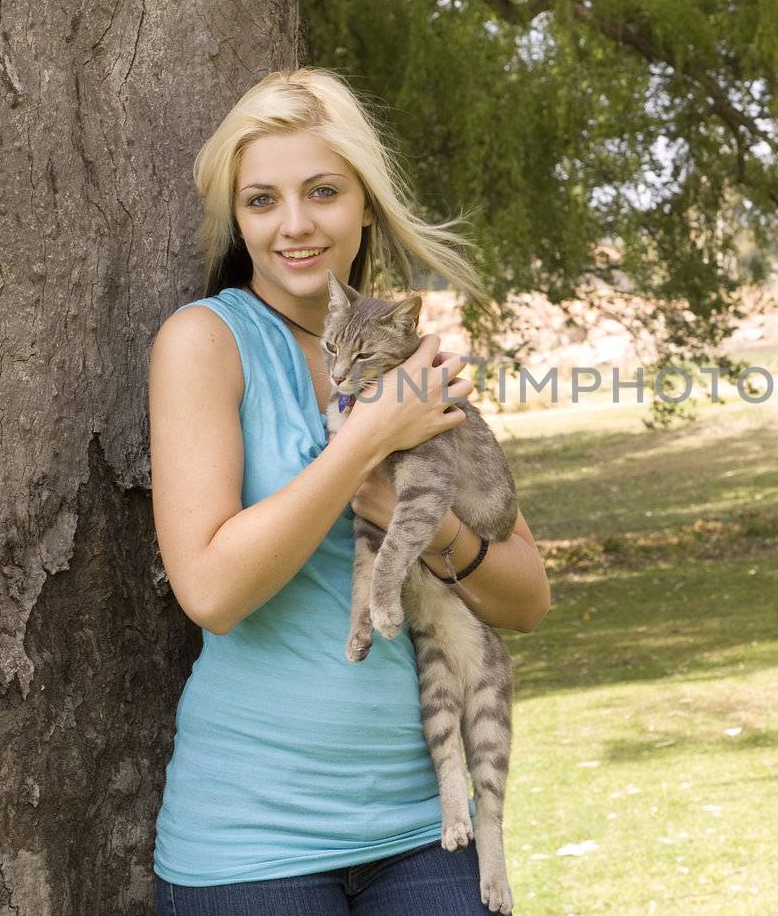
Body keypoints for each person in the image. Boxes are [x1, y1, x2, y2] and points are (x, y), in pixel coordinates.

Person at [146, 68, 551, 915]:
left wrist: (432, 529)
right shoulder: (205, 342)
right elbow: (213, 592)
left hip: (422, 827)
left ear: (365, 202)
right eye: (262, 200)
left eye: (322, 191)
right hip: (251, 844)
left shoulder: (402, 350)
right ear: (238, 216)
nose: (293, 225)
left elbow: (526, 596)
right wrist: (366, 440)